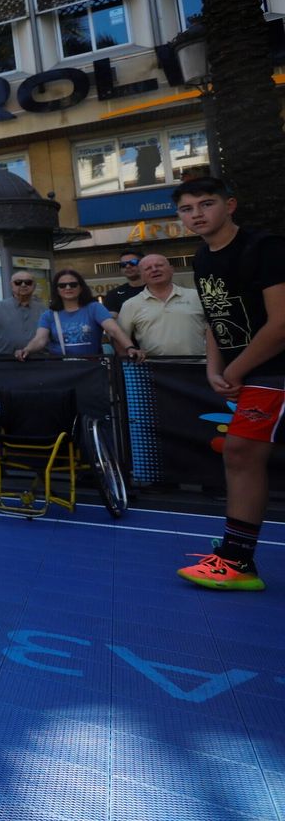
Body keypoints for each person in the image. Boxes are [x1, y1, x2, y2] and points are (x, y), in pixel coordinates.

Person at [171, 178, 284, 590]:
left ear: (230, 205)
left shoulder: (265, 248)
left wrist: (236, 372)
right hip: (250, 372)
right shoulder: (203, 258)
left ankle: (236, 558)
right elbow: (217, 319)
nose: (196, 214)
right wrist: (214, 368)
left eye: (206, 204)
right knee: (241, 454)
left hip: (274, 369)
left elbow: (282, 323)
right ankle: (236, 554)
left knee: (240, 452)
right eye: (186, 209)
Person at [16, 269, 140, 360]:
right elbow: (40, 339)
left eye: (73, 284)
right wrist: (27, 349)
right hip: (60, 368)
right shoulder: (49, 314)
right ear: (57, 290)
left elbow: (113, 330)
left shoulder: (94, 308)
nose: (68, 288)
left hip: (90, 368)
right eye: (62, 285)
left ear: (81, 288)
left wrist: (130, 347)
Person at [116, 252, 206, 358]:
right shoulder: (130, 304)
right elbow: (119, 340)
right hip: (155, 369)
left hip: (200, 366)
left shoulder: (196, 296)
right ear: (142, 276)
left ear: (172, 270)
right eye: (148, 268)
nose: (154, 270)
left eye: (159, 265)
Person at [0, 270, 43, 357]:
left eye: (28, 282)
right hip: (3, 361)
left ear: (34, 286)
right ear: (11, 286)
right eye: (18, 282)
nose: (23, 285)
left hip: (37, 360)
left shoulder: (43, 310)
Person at [102, 249, 146, 314]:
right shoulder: (113, 295)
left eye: (133, 262)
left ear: (144, 264)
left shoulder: (157, 289)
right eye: (123, 264)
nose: (128, 266)